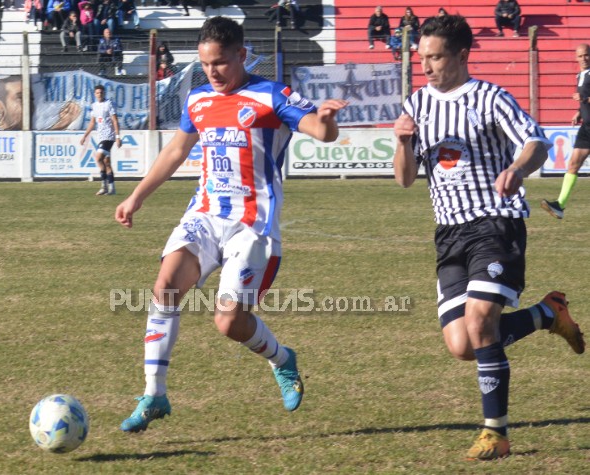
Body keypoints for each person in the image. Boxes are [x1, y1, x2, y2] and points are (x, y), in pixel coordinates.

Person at [114, 16, 347, 433]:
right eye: (205, 64)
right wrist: (136, 196)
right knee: (165, 285)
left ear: (241, 54)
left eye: (220, 62)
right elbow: (175, 151)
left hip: (252, 225)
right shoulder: (198, 100)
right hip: (204, 214)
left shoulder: (271, 95)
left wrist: (326, 118)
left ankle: (282, 358)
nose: (212, 72)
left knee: (228, 322)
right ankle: (154, 394)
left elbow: (320, 131)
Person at [393, 15, 585, 461]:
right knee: (462, 344)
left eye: (436, 57)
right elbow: (404, 180)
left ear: (461, 55)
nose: (426, 66)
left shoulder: (489, 98)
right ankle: (545, 314)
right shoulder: (417, 104)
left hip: (495, 223)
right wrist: (402, 142)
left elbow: (535, 141)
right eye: (422, 58)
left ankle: (495, 433)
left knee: (480, 323)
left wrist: (517, 170)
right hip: (449, 234)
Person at [541, 44, 590, 219]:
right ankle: (560, 205)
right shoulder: (580, 76)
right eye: (580, 56)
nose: (584, 59)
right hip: (586, 128)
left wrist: (585, 99)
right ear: (576, 58)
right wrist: (579, 111)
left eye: (586, 55)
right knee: (573, 164)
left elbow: (586, 97)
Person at [80, 84, 121, 195]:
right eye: (97, 93)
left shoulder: (109, 104)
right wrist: (85, 136)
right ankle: (112, 188)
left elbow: (115, 120)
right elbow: (92, 122)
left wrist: (117, 137)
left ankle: (104, 186)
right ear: (95, 94)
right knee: (106, 162)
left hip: (109, 136)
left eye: (101, 92)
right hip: (100, 137)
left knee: (98, 158)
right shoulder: (94, 106)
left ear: (104, 93)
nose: (99, 94)